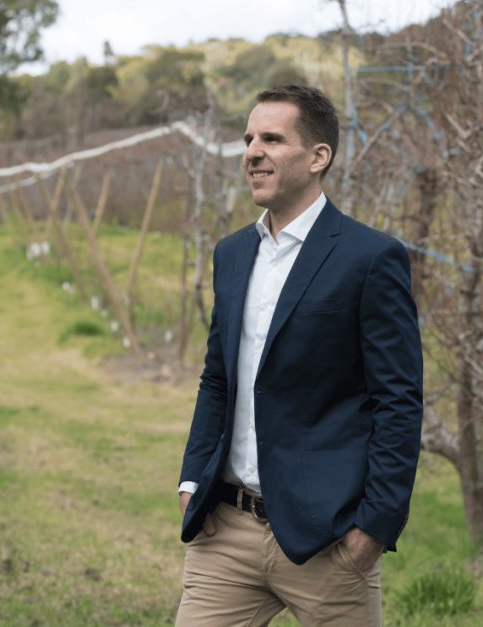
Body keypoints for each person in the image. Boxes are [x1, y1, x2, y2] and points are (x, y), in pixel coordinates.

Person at [175, 84, 423, 626]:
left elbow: (398, 401)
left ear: (318, 157)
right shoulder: (232, 253)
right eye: (247, 139)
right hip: (227, 530)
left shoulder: (371, 258)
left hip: (330, 542)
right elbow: (217, 378)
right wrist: (193, 480)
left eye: (271, 138)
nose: (252, 152)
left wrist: (374, 528)